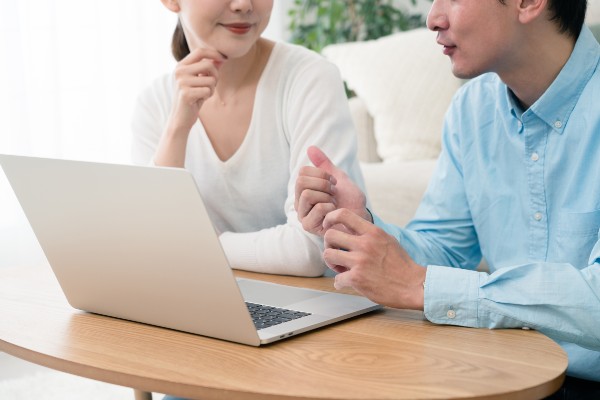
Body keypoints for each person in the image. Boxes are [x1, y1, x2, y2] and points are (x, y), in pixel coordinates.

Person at [295, 0, 600, 396]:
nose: (433, 19)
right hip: (503, 370)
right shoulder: (472, 109)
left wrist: (423, 286)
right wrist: (361, 227)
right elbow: (444, 250)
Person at [131, 0, 365, 278]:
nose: (243, 4)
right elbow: (153, 246)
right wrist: (177, 129)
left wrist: (202, 247)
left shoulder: (309, 78)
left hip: (318, 301)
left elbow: (311, 250)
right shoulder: (154, 102)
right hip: (212, 295)